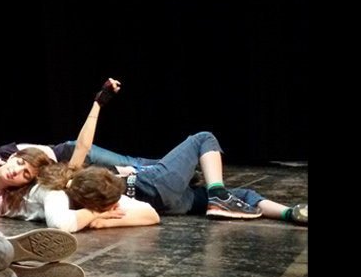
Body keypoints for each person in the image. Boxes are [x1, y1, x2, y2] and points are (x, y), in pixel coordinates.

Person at [45, 77, 300, 222]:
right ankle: (218, 195)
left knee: (242, 195)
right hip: (155, 186)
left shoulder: (70, 196)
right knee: (204, 138)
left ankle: (290, 213)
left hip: (170, 205)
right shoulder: (72, 177)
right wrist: (98, 103)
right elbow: (82, 145)